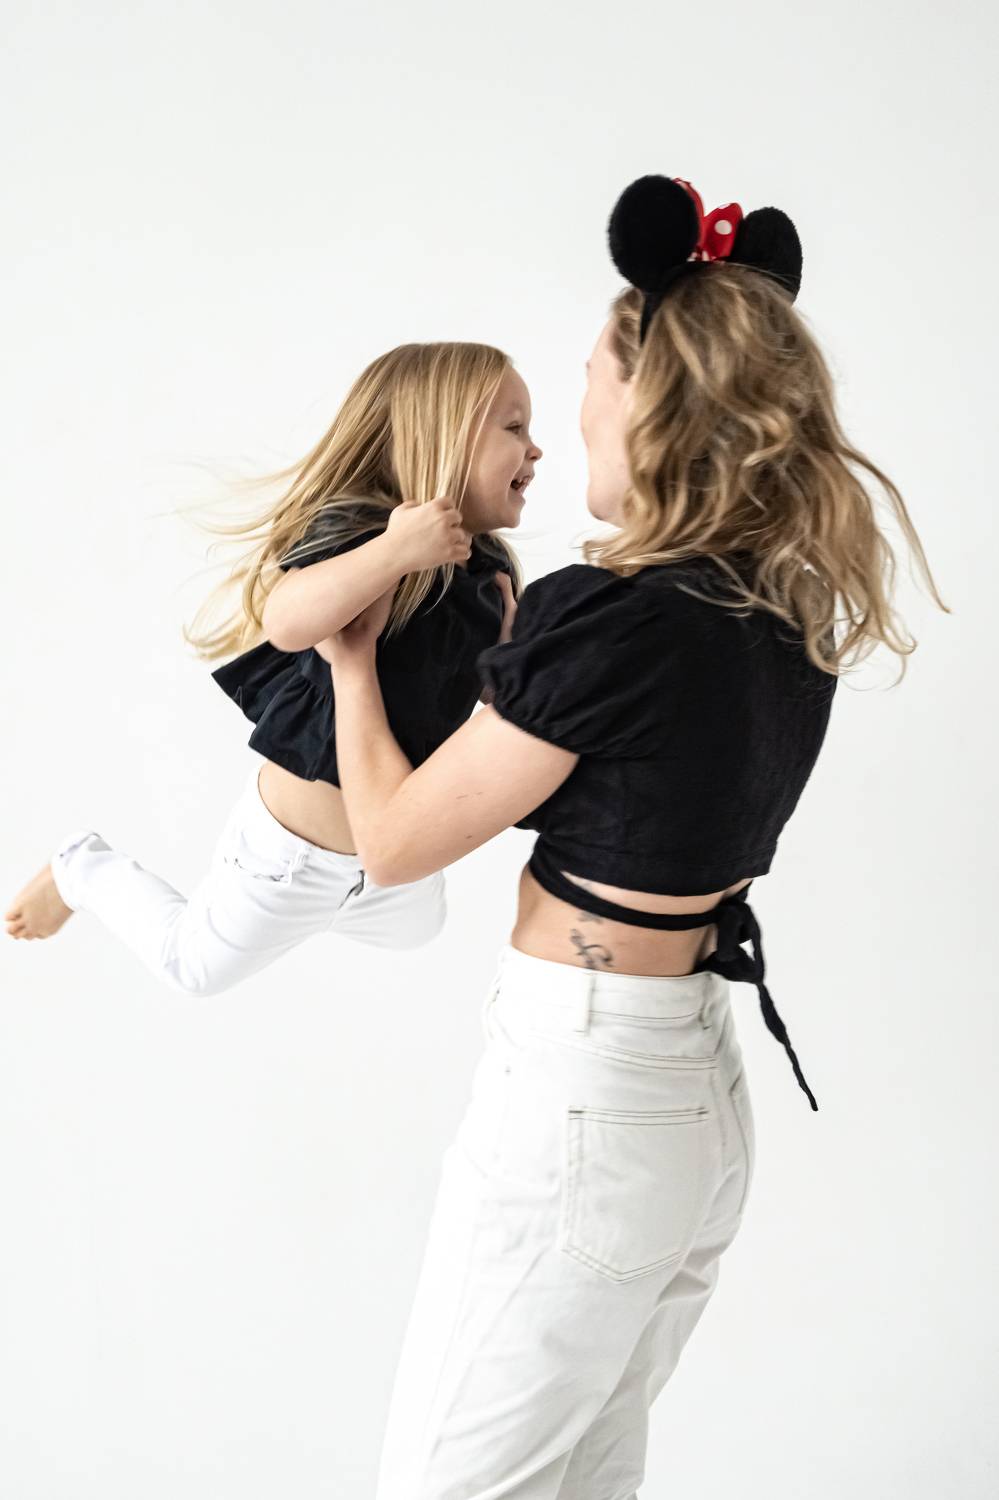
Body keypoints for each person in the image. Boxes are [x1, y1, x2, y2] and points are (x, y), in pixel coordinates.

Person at [318, 175, 947, 1498]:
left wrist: (351, 662)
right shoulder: (784, 613)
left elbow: (393, 842)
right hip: (686, 1097)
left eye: (590, 381)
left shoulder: (611, 618)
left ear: (649, 402)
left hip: (588, 1095)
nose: (575, 418)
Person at [4, 344, 541, 994]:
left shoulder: (489, 572)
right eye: (515, 428)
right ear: (443, 435)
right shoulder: (364, 529)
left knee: (421, 930)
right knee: (192, 968)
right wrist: (396, 551)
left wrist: (508, 660)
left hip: (390, 854)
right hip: (293, 856)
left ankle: (345, 907)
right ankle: (81, 869)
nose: (535, 450)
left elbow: (478, 708)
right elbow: (288, 621)